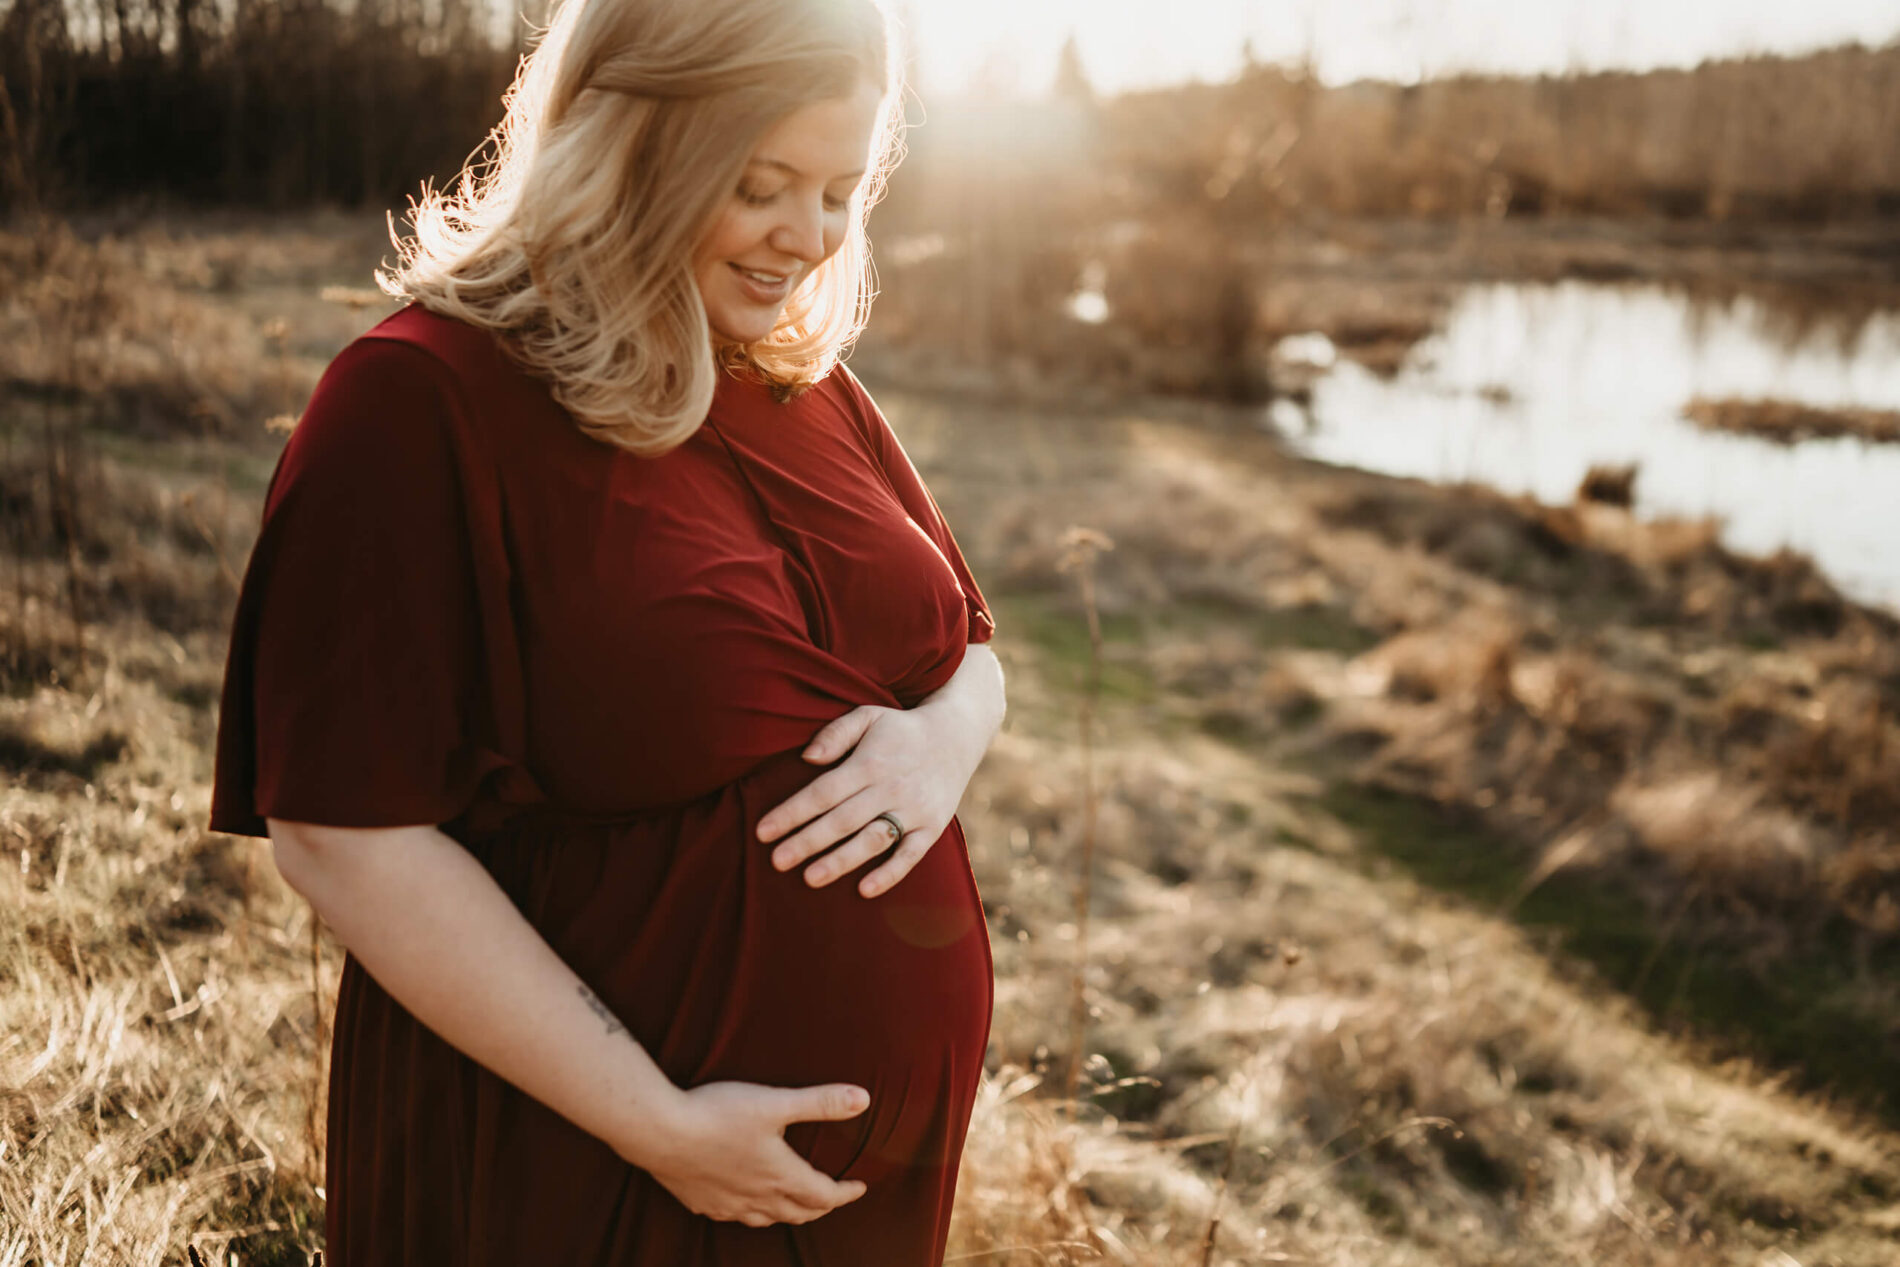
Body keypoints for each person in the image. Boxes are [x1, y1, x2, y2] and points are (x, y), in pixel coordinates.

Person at [206, 0, 1006, 1261]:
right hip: (582, 1171)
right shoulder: (417, 402)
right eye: (761, 184)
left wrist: (943, 744)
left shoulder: (800, 382)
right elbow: (340, 833)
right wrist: (655, 1122)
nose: (805, 238)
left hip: (847, 1202)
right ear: (631, 144)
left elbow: (966, 645)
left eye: (841, 193)